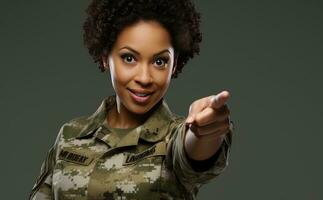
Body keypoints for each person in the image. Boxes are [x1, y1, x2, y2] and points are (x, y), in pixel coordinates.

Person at [29, 0, 233, 199]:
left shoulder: (174, 139)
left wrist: (203, 131)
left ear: (175, 64)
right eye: (129, 58)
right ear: (105, 56)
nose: (144, 78)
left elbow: (194, 152)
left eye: (159, 61)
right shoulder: (70, 135)